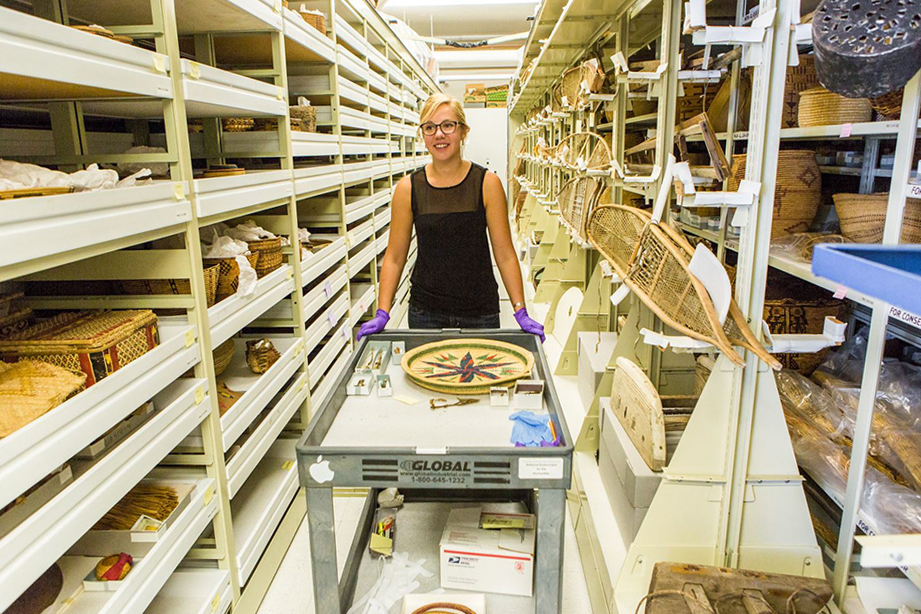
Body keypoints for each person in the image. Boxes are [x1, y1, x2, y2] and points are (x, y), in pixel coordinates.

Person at [357, 93, 544, 341]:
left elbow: (506, 254)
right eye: (430, 127)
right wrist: (382, 311)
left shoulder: (487, 184)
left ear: (463, 131)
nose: (439, 135)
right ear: (423, 135)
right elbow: (394, 257)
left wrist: (520, 310)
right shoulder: (408, 188)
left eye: (448, 125)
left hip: (480, 313)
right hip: (426, 314)